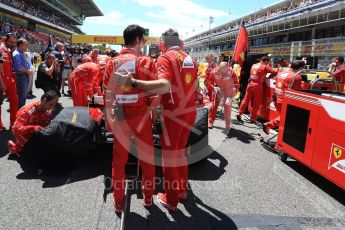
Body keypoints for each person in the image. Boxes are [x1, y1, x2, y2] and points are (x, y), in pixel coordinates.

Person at [114, 28, 198, 212]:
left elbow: (163, 86)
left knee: (169, 157)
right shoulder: (190, 57)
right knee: (180, 153)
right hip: (189, 111)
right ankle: (180, 191)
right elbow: (196, 84)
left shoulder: (165, 58)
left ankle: (171, 200)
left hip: (172, 113)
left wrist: (134, 83)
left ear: (163, 43)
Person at [104, 24, 157, 214]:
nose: (143, 44)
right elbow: (154, 93)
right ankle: (148, 197)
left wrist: (109, 116)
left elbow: (107, 92)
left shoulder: (112, 62)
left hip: (120, 115)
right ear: (138, 40)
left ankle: (119, 201)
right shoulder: (146, 61)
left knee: (119, 161)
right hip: (141, 115)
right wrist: (152, 111)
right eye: (143, 41)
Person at [8, 90, 58, 155]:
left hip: (35, 133)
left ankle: (22, 145)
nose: (51, 108)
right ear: (44, 100)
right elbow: (15, 129)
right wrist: (33, 128)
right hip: (23, 133)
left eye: (53, 106)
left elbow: (47, 124)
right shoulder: (28, 111)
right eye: (50, 105)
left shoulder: (47, 109)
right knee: (33, 153)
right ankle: (14, 147)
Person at [262, 60, 305, 134]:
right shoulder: (297, 77)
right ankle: (269, 125)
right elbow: (297, 91)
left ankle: (277, 130)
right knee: (288, 118)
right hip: (284, 101)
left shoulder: (281, 73)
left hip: (276, 99)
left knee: (285, 118)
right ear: (300, 68)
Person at [236, 56, 278, 123]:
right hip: (257, 86)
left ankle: (239, 113)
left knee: (245, 100)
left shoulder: (254, 65)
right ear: (266, 61)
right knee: (256, 103)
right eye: (268, 62)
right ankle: (253, 118)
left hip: (250, 84)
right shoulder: (264, 66)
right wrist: (277, 67)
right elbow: (275, 71)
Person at [209, 62, 238, 130]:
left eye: (223, 69)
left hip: (228, 90)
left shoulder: (232, 72)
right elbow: (209, 82)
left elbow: (236, 84)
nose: (221, 71)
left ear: (227, 68)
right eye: (220, 68)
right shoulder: (214, 71)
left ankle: (227, 124)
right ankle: (210, 121)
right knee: (214, 105)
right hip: (218, 90)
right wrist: (214, 88)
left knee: (227, 107)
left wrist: (233, 92)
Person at [0, 33, 18, 130]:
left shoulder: (9, 50)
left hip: (10, 80)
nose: (12, 44)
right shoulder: (0, 50)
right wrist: (1, 83)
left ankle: (13, 123)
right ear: (5, 40)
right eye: (11, 42)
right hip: (1, 80)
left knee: (15, 100)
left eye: (14, 43)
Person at [13, 38, 33, 109]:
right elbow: (19, 67)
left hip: (23, 76)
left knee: (23, 95)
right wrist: (28, 71)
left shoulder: (21, 53)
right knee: (22, 96)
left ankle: (20, 112)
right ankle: (20, 113)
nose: (27, 46)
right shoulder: (17, 54)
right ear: (20, 45)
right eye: (25, 45)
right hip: (21, 76)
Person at [204, 54, 219, 128]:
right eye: (206, 58)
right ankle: (210, 113)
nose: (206, 60)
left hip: (212, 86)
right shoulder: (209, 66)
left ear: (212, 59)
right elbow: (206, 76)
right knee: (209, 100)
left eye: (207, 58)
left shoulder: (215, 66)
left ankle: (210, 119)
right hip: (208, 85)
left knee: (213, 102)